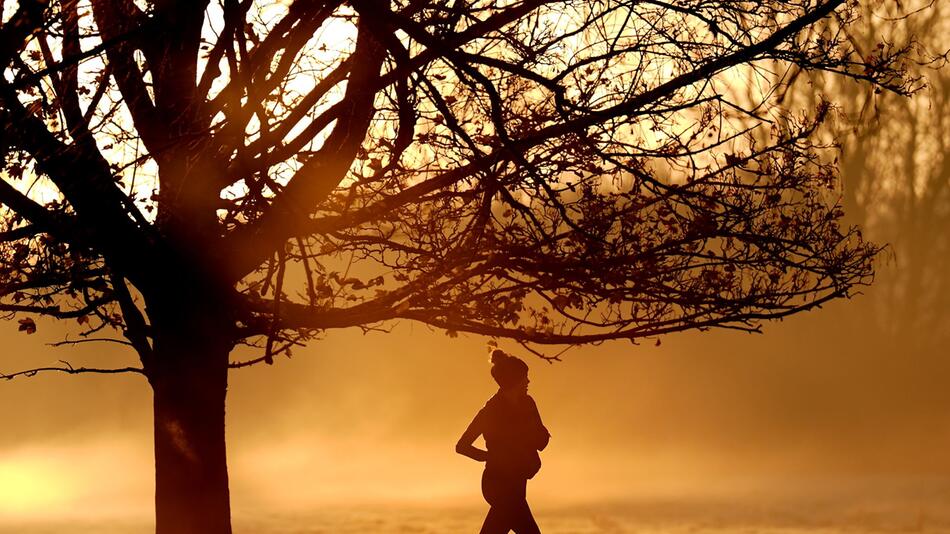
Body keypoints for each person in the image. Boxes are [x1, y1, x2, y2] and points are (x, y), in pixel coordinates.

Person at [457, 349, 550, 534]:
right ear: (514, 381)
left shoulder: (528, 404)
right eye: (525, 377)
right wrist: (491, 457)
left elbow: (541, 440)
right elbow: (462, 446)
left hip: (518, 483)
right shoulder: (490, 411)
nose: (528, 382)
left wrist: (537, 435)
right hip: (497, 483)